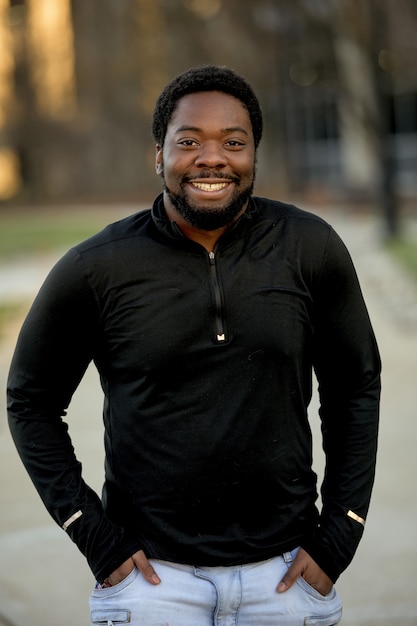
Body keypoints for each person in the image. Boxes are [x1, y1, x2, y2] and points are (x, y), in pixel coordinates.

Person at [7, 65, 381, 626]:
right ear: (158, 155)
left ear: (255, 155)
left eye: (234, 142)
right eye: (189, 142)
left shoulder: (311, 248)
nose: (212, 158)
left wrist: (342, 531)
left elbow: (355, 387)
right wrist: (92, 534)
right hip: (152, 584)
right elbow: (30, 402)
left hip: (285, 577)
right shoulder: (97, 267)